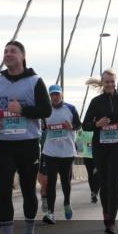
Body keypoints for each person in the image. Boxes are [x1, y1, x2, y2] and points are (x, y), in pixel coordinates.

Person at [0, 40, 52, 234]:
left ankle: (30, 233)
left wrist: (22, 109)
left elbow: (46, 110)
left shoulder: (35, 81)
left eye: (13, 51)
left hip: (28, 144)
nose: (8, 54)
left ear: (23, 56)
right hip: (4, 144)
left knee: (28, 190)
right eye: (5, 51)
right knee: (3, 192)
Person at [82, 69, 118, 234]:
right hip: (100, 146)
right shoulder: (96, 102)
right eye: (107, 82)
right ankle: (106, 214)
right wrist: (97, 124)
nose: (110, 84)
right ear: (102, 83)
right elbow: (85, 125)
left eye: (112, 81)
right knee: (104, 183)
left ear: (115, 82)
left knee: (113, 183)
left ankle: (112, 220)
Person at [40, 84, 81, 223]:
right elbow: (42, 126)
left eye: (57, 94)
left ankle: (67, 203)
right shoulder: (45, 110)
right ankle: (51, 213)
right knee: (50, 182)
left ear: (62, 95)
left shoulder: (70, 108)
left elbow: (79, 125)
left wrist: (72, 127)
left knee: (65, 181)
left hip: (67, 152)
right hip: (50, 151)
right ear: (49, 96)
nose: (55, 97)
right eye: (52, 95)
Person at [77, 128, 99, 203]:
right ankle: (93, 192)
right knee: (91, 174)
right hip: (87, 156)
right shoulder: (82, 129)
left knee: (97, 174)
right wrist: (80, 152)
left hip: (98, 155)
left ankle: (96, 191)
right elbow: (78, 139)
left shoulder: (99, 126)